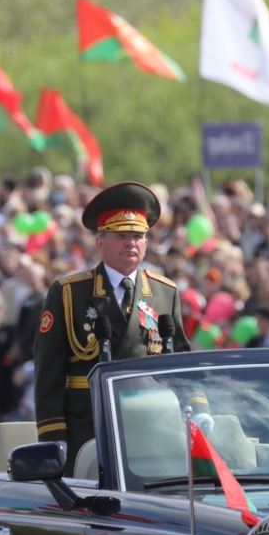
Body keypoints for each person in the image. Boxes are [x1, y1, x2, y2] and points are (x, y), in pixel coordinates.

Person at [33, 181, 190, 468]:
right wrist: (54, 434)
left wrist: (196, 411)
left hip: (151, 426)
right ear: (100, 241)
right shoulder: (70, 292)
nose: (131, 242)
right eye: (121, 235)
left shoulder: (164, 292)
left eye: (138, 235)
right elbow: (48, 372)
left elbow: (181, 360)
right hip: (90, 426)